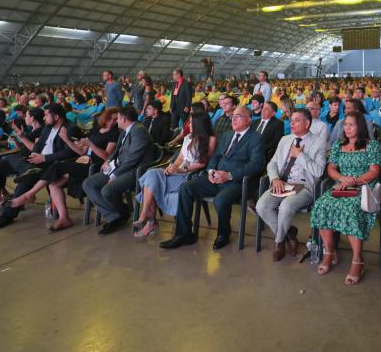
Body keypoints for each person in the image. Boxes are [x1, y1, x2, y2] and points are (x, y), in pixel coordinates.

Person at [160, 106, 265, 250]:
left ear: (248, 120)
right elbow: (215, 156)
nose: (233, 119)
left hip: (237, 182)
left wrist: (229, 175)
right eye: (232, 116)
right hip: (215, 177)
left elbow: (256, 165)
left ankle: (223, 234)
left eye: (238, 116)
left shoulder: (256, 138)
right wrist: (210, 171)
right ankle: (183, 234)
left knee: (220, 200)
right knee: (186, 187)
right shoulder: (227, 135)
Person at [310, 111, 381, 285]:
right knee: (321, 205)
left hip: (364, 186)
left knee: (350, 208)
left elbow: (374, 171)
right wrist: (342, 179)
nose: (347, 128)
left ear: (360, 126)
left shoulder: (371, 145)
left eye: (351, 125)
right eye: (345, 125)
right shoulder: (338, 145)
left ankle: (357, 259)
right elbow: (331, 169)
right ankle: (329, 252)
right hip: (342, 185)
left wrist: (354, 181)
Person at [0, 104, 79, 229]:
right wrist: (34, 153)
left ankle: (6, 215)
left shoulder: (70, 128)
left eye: (46, 115)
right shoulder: (48, 127)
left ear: (56, 117)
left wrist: (44, 158)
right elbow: (39, 145)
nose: (44, 118)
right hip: (37, 160)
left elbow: (68, 153)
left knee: (26, 180)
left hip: (51, 163)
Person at [255, 108, 327, 261]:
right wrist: (275, 179)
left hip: (305, 186)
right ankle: (289, 233)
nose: (292, 123)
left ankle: (279, 242)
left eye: (296, 120)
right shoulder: (285, 139)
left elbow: (319, 171)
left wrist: (300, 155)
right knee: (261, 206)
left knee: (286, 206)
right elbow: (272, 163)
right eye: (291, 120)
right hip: (282, 182)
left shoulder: (319, 142)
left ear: (307, 123)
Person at [135, 112, 216, 238]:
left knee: (153, 184)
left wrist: (182, 169)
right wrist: (171, 167)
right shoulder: (188, 137)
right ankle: (145, 213)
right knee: (151, 174)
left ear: (199, 124)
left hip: (191, 175)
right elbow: (180, 158)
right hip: (179, 170)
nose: (189, 125)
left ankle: (150, 222)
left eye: (192, 123)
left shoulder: (211, 139)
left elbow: (203, 163)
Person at [40, 108, 121, 231]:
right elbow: (81, 152)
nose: (112, 121)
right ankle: (64, 218)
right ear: (105, 117)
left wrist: (91, 145)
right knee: (53, 184)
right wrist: (66, 139)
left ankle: (30, 193)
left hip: (95, 166)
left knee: (56, 166)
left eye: (115, 119)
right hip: (83, 162)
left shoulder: (114, 134)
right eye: (110, 118)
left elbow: (106, 157)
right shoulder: (95, 130)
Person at [82, 106, 155, 235]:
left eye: (118, 118)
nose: (116, 121)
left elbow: (133, 159)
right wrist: (108, 161)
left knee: (107, 190)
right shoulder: (125, 131)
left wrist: (114, 175)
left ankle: (120, 213)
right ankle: (115, 216)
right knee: (88, 184)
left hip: (134, 171)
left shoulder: (139, 131)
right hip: (118, 168)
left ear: (124, 119)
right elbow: (116, 152)